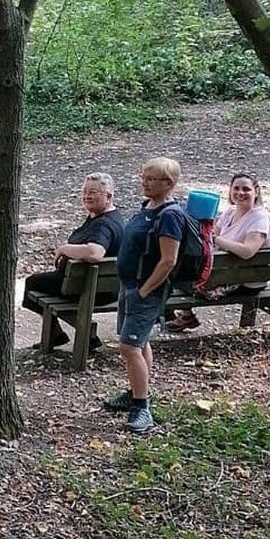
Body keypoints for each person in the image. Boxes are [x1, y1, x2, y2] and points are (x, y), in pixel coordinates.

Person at [103, 158, 184, 435]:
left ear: (169, 184)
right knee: (140, 342)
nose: (144, 182)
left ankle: (142, 407)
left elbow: (168, 260)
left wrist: (144, 291)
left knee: (129, 347)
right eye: (144, 177)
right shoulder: (148, 206)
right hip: (130, 286)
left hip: (145, 291)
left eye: (152, 179)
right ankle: (137, 391)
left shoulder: (170, 215)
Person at [22, 173, 125, 349]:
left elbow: (94, 252)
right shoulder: (111, 217)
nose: (87, 196)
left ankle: (79, 332)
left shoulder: (103, 225)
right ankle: (68, 333)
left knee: (32, 283)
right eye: (84, 192)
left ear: (108, 196)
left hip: (87, 288)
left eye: (93, 192)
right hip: (104, 287)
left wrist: (64, 248)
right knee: (41, 282)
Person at [166, 171, 270, 332]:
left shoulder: (260, 217)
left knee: (177, 278)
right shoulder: (230, 211)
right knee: (182, 268)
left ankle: (180, 314)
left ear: (256, 191)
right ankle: (184, 314)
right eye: (236, 188)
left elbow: (247, 251)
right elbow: (212, 235)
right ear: (230, 191)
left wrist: (216, 240)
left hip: (249, 280)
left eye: (246, 189)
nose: (240, 193)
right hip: (231, 273)